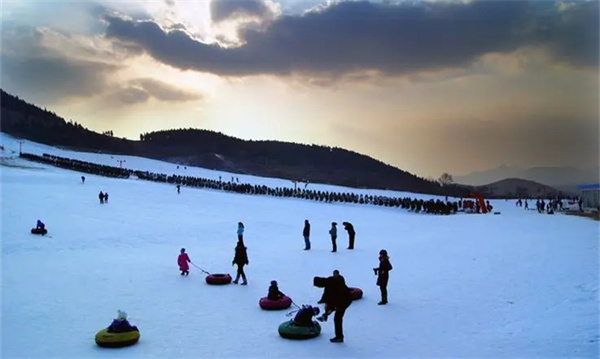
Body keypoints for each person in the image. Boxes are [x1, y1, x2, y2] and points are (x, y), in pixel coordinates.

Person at [314, 270, 352, 343]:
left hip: (344, 301)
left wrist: (330, 308)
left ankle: (339, 337)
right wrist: (325, 303)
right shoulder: (329, 282)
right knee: (333, 311)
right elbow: (327, 296)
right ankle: (325, 316)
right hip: (340, 300)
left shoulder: (336, 286)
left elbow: (335, 300)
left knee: (337, 318)